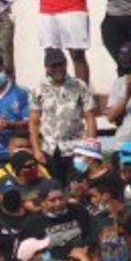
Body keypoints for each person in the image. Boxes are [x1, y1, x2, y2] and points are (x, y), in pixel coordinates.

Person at [30, 49, 94, 181]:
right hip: (49, 149)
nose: (58, 69)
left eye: (61, 64)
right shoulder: (38, 89)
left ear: (66, 64)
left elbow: (90, 117)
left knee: (76, 190)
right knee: (54, 190)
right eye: (54, 66)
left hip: (75, 148)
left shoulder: (79, 86)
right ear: (47, 68)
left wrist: (88, 148)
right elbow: (34, 121)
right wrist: (36, 149)